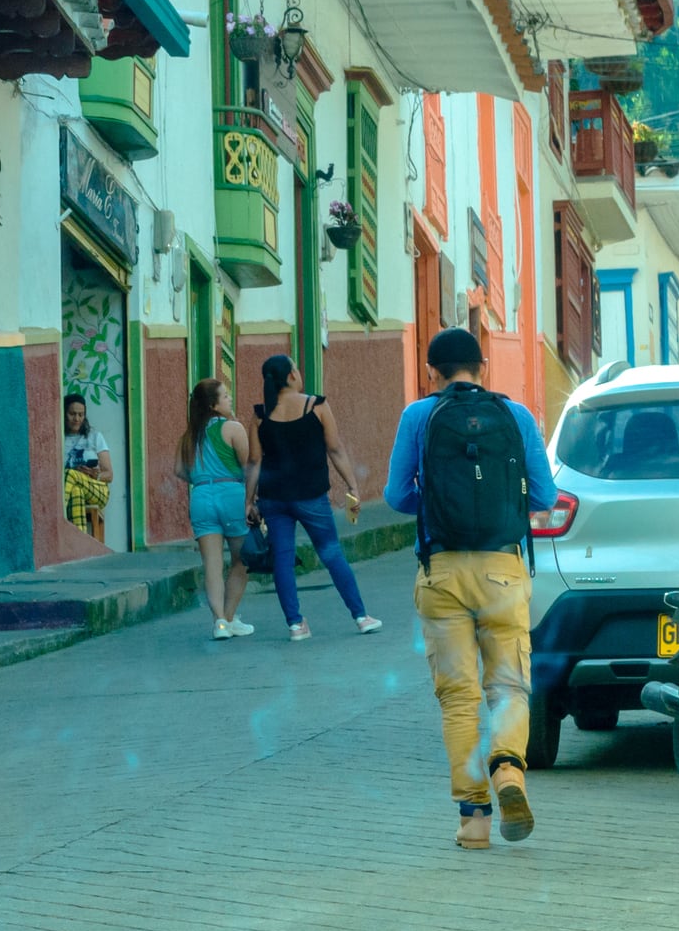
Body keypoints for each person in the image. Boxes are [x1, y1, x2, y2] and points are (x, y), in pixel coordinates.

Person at [385, 328, 557, 850]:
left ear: (431, 371)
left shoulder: (418, 416)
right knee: (508, 685)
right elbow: (545, 495)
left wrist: (437, 509)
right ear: (482, 366)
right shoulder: (517, 416)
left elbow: (395, 495)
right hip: (503, 570)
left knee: (458, 697)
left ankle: (474, 821)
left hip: (442, 573)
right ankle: (508, 769)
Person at [243, 354, 380, 640]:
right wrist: (352, 484)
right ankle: (360, 616)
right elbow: (335, 449)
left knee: (282, 559)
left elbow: (255, 462)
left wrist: (249, 500)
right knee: (331, 553)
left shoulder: (259, 415)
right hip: (311, 496)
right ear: (292, 375)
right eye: (296, 367)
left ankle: (295, 625)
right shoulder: (316, 406)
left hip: (274, 498)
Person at [177, 377, 254, 639]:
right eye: (225, 396)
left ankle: (219, 622)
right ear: (213, 405)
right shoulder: (233, 428)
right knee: (241, 560)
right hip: (231, 493)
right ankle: (230, 618)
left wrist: (202, 478)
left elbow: (179, 470)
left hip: (200, 496)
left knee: (211, 563)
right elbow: (248, 465)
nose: (229, 399)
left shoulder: (189, 435)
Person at [63, 393, 113, 540]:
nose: (77, 419)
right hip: (73, 489)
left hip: (98, 489)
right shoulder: (58, 438)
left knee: (69, 474)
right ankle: (80, 546)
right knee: (76, 492)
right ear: (64, 413)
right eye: (72, 414)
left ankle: (57, 518)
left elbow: (109, 475)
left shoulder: (94, 436)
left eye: (81, 414)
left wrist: (94, 474)